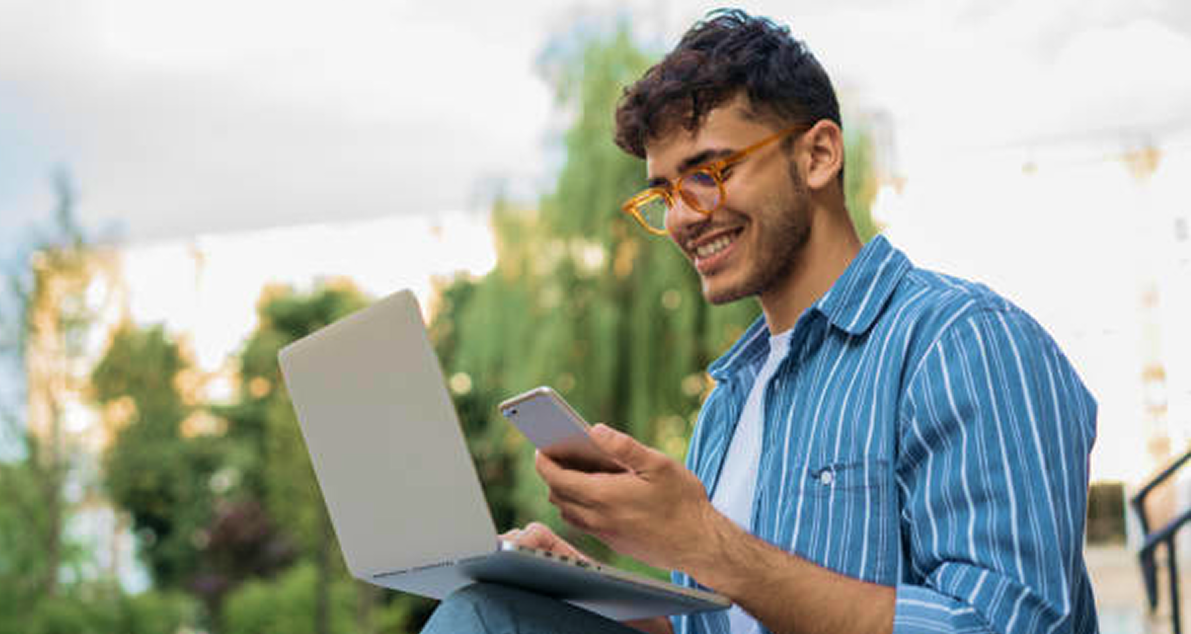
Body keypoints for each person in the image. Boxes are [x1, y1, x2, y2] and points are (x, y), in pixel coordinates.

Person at [423, 9, 1098, 634]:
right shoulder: (730, 402)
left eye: (709, 171)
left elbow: (1009, 624)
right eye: (663, 192)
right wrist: (591, 593)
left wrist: (703, 542)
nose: (684, 215)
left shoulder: (963, 341)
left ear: (818, 155)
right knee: (487, 613)